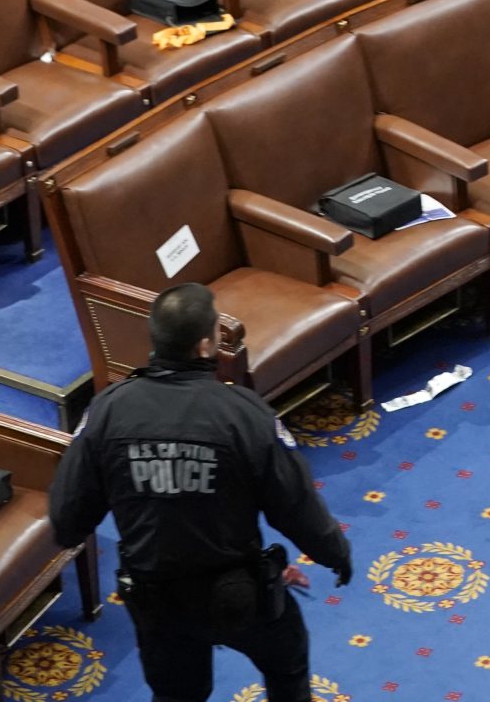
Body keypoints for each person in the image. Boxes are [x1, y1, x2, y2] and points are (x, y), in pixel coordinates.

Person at [48, 284, 354, 702]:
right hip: (239, 594)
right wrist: (334, 552)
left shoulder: (107, 411)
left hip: (156, 601)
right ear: (206, 345)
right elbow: (295, 505)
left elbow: (68, 519)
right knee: (288, 666)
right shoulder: (244, 414)